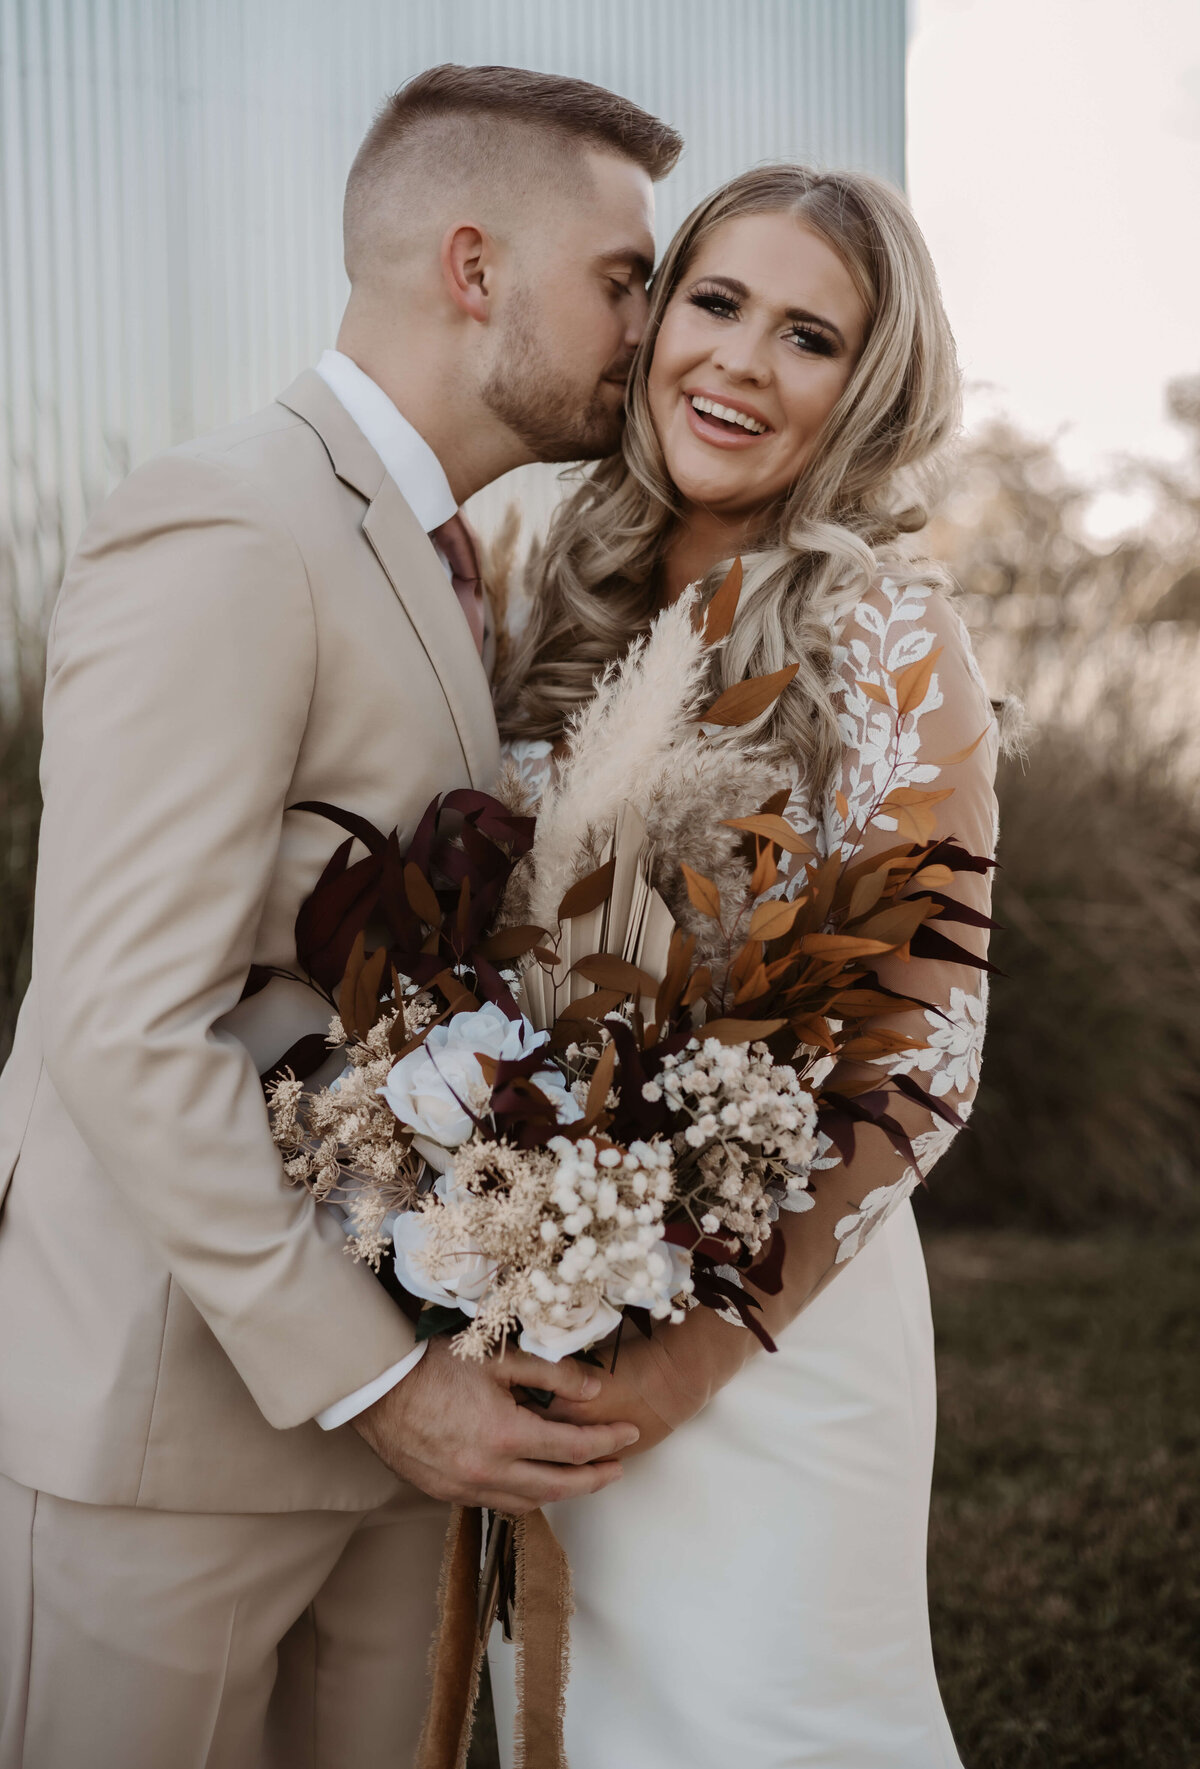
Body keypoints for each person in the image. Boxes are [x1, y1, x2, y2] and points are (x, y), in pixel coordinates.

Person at [0, 65, 681, 1769]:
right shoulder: (231, 521)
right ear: (474, 268)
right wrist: (382, 1383)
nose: (654, 327)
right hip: (176, 1432)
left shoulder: (442, 556)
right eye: (625, 275)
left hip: (386, 1432)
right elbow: (117, 1015)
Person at [491, 164, 998, 1767]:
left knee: (761, 1719)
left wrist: (692, 1357)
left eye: (808, 337)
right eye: (714, 303)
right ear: (652, 324)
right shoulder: (547, 590)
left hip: (775, 1330)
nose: (739, 363)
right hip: (535, 1294)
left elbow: (924, 1050)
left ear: (868, 388)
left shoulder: (884, 634)